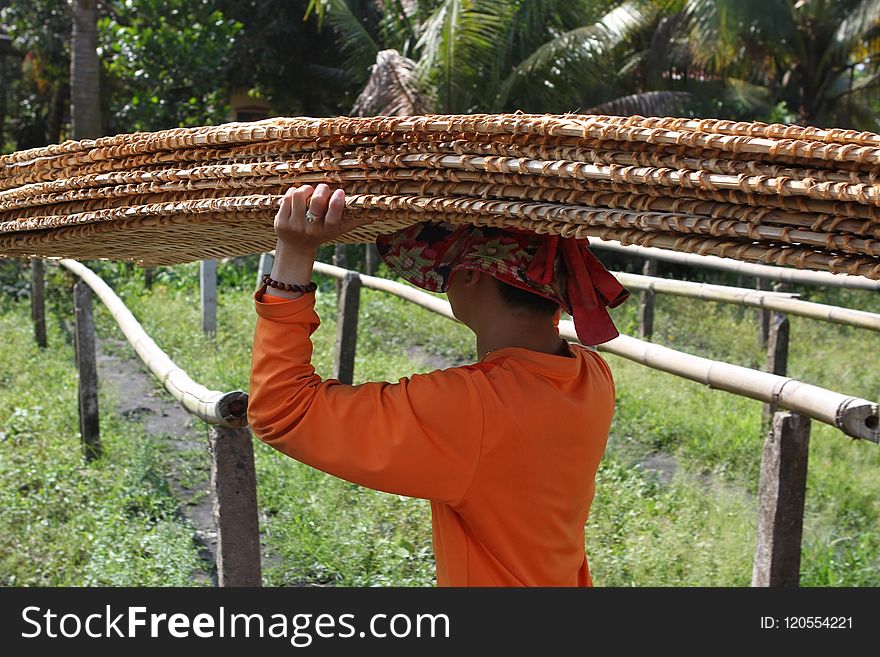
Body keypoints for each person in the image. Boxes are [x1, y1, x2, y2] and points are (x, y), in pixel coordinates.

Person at [247, 183, 629, 586]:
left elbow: (282, 409)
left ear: (469, 276)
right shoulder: (591, 375)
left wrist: (293, 255)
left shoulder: (473, 408)